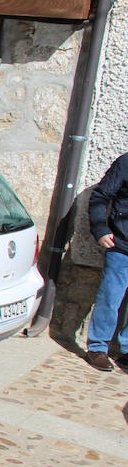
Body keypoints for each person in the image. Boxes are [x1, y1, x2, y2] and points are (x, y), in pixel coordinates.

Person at [86, 152, 128, 370]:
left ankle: (126, 352)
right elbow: (100, 196)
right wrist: (100, 229)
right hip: (121, 246)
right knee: (110, 300)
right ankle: (97, 347)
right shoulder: (125, 162)